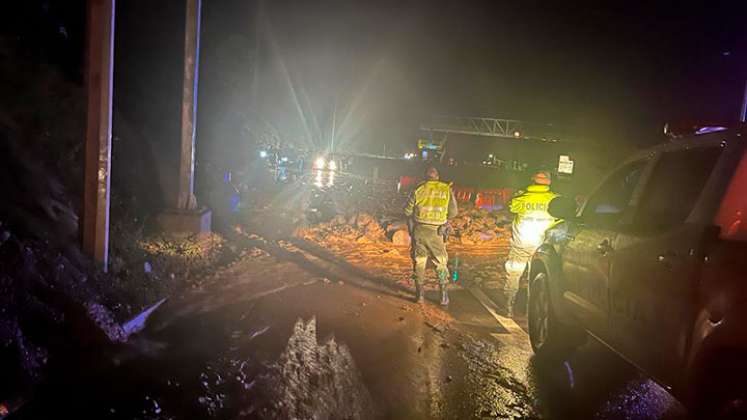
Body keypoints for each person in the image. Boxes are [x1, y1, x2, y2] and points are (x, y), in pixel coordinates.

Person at [503, 170, 558, 317]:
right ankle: (531, 311)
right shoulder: (555, 200)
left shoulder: (521, 198)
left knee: (514, 273)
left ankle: (508, 307)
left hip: (521, 243)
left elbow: (510, 207)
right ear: (549, 182)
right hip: (541, 245)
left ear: (532, 180)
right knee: (537, 277)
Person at [404, 167, 458, 305]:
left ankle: (420, 295)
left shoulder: (419, 189)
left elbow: (407, 211)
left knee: (419, 262)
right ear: (438, 176)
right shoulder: (446, 189)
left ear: (425, 177)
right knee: (440, 263)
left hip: (420, 231)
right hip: (437, 233)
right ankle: (444, 296)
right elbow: (453, 213)